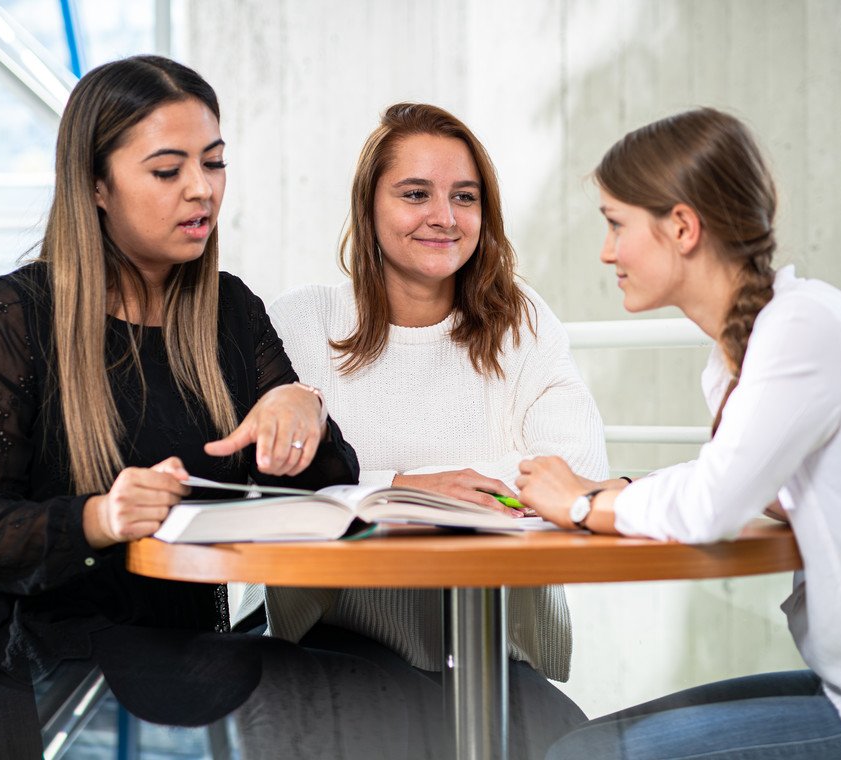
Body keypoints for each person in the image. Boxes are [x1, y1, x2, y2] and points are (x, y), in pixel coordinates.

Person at [0, 55, 361, 758]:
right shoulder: (17, 315)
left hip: (160, 639)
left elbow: (328, 485)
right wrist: (98, 517)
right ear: (97, 185)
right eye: (167, 171)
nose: (201, 191)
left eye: (214, 163)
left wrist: (302, 409)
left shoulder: (231, 310)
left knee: (355, 696)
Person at [516, 107, 841, 760]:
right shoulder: (746, 351)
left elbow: (711, 504)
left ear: (683, 227)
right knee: (578, 744)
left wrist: (583, 504)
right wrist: (620, 491)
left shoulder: (801, 326)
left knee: (580, 757)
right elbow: (735, 483)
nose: (607, 251)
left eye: (615, 225)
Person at [232, 102, 613, 759]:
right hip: (335, 652)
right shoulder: (300, 322)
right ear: (369, 205)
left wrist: (369, 495)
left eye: (464, 197)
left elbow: (574, 470)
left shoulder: (521, 321)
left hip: (493, 656)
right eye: (415, 194)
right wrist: (406, 486)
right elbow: (260, 486)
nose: (443, 216)